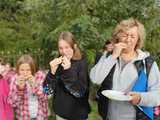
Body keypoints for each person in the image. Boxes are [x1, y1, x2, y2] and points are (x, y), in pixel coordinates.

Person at [90, 18, 160, 120]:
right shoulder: (109, 56)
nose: (128, 39)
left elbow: (158, 94)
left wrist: (141, 98)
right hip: (110, 117)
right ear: (118, 36)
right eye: (124, 35)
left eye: (132, 36)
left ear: (138, 39)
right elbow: (95, 79)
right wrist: (113, 56)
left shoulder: (148, 63)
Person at [43, 31, 90, 120]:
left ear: (74, 46)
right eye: (61, 48)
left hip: (78, 116)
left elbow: (79, 92)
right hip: (60, 115)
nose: (64, 51)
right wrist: (51, 73)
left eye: (67, 47)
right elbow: (47, 92)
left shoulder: (81, 63)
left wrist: (68, 71)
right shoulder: (57, 64)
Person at [8, 55, 48, 120]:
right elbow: (12, 103)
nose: (25, 73)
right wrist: (20, 89)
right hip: (23, 116)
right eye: (22, 70)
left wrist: (35, 86)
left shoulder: (40, 76)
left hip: (40, 116)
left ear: (33, 69)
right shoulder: (15, 79)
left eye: (28, 70)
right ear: (18, 69)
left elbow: (46, 97)